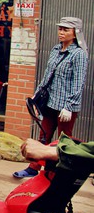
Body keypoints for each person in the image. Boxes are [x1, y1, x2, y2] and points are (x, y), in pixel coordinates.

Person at [14, 16, 88, 178]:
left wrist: (69, 106)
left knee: (63, 142)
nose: (61, 32)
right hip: (50, 102)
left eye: (66, 30)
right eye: (60, 29)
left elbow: (79, 82)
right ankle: (33, 168)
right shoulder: (56, 49)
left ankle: (59, 173)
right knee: (43, 136)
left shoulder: (78, 55)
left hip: (65, 108)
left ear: (75, 33)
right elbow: (48, 75)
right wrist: (37, 93)